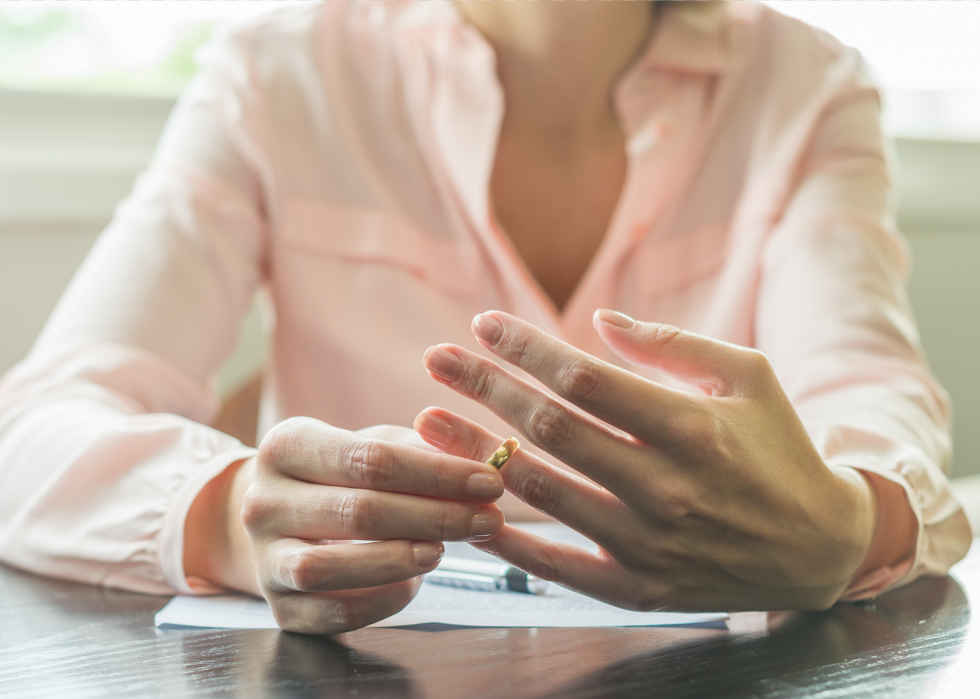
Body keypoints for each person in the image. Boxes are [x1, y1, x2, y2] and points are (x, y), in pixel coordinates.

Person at [0, 1, 971, 634]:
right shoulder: (276, 72)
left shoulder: (805, 87)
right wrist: (223, 518)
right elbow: (31, 432)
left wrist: (847, 522)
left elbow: (870, 398)